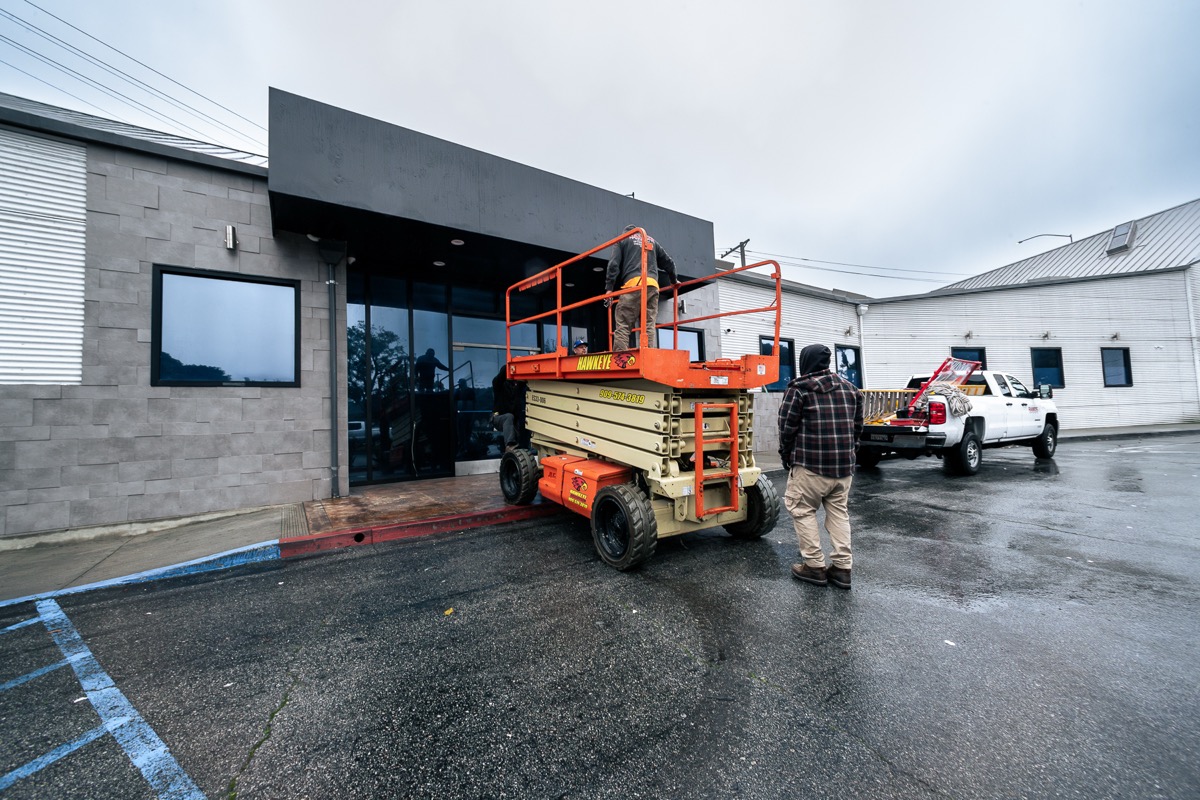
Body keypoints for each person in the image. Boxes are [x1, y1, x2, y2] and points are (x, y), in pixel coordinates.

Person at [777, 343, 865, 590]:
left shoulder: (799, 389)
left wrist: (786, 455)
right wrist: (850, 452)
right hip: (843, 469)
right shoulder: (851, 389)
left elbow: (786, 427)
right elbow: (858, 427)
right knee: (838, 513)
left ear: (805, 362)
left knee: (802, 510)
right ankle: (842, 569)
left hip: (810, 466)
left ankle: (814, 566)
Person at [604, 225, 678, 351]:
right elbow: (668, 262)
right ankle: (648, 352)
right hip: (652, 285)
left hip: (634, 284)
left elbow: (613, 265)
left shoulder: (623, 240)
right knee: (649, 323)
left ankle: (620, 357)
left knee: (623, 323)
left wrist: (609, 289)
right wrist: (673, 280)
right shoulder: (651, 241)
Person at [491, 365, 526, 452]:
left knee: (519, 419)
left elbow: (525, 381)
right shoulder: (499, 385)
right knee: (509, 416)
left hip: (513, 421)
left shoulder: (517, 387)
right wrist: (512, 365)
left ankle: (520, 448)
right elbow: (501, 375)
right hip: (498, 418)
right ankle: (509, 444)